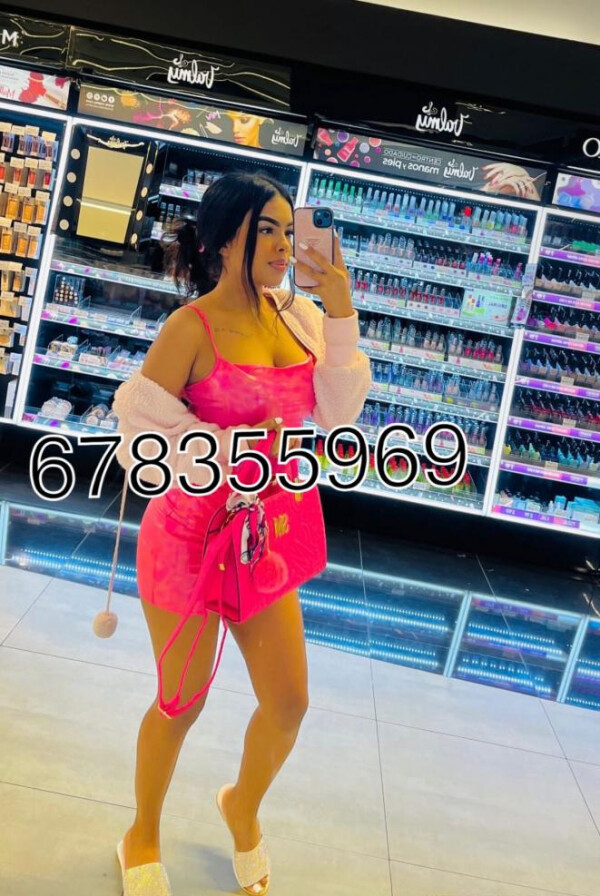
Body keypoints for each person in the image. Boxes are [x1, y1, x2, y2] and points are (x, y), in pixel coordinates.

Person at [111, 171, 372, 895]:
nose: (285, 246)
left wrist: (341, 309)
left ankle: (242, 808)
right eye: (268, 230)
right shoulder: (189, 328)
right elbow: (139, 433)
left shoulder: (300, 318)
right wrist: (231, 450)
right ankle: (141, 832)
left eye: (290, 231)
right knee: (182, 700)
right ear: (227, 238)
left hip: (264, 538)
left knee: (288, 703)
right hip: (187, 539)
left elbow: (338, 413)